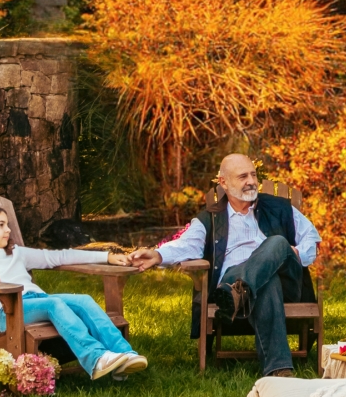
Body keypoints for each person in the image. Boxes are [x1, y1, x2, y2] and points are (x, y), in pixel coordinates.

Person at [127, 154, 321, 379]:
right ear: (224, 183)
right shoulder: (210, 219)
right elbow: (186, 245)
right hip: (259, 285)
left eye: (253, 175)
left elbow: (311, 238)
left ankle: (237, 288)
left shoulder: (280, 208)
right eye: (243, 176)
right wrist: (158, 255)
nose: (251, 181)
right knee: (267, 283)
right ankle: (279, 370)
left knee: (277, 242)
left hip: (286, 282)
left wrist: (296, 252)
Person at [0, 206, 148, 380]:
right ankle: (96, 359)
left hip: (38, 303)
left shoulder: (16, 253)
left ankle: (123, 354)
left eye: (8, 224)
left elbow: (59, 257)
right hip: (10, 312)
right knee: (54, 304)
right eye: (1, 225)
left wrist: (106, 257)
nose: (8, 229)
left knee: (83, 300)